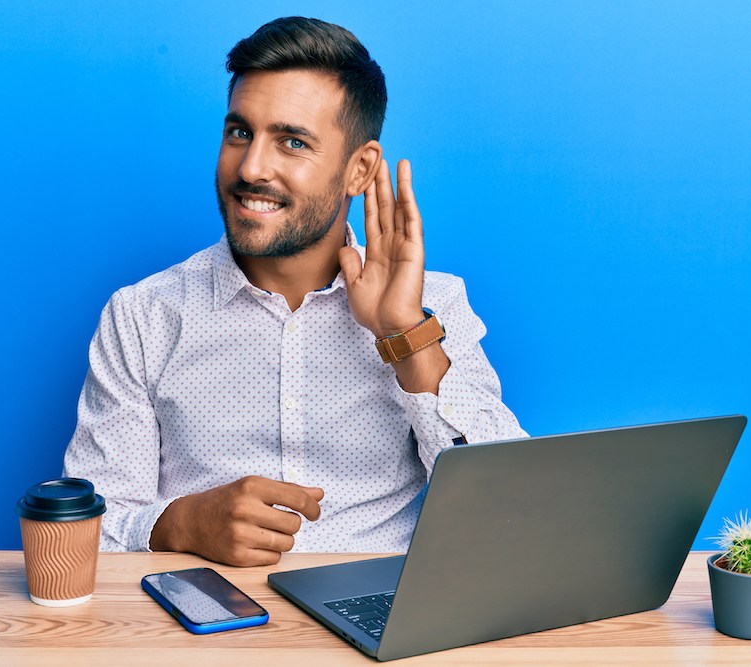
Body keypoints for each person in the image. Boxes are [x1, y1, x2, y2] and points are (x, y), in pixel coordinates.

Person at [63, 16, 525, 566]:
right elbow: (80, 532)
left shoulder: (436, 307)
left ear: (360, 171)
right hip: (201, 627)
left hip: (383, 620)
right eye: (240, 132)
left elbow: (511, 505)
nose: (252, 167)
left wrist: (406, 335)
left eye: (292, 142)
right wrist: (180, 524)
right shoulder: (143, 316)